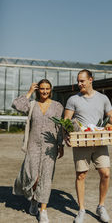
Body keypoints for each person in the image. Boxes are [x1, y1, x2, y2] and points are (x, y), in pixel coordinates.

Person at [64, 69, 112, 223]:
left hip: (100, 141)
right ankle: (81, 210)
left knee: (105, 173)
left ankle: (101, 206)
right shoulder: (73, 99)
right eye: (78, 81)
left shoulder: (103, 98)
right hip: (81, 142)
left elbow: (111, 117)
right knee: (81, 175)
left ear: (90, 80)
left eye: (82, 81)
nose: (79, 83)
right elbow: (66, 120)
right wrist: (66, 135)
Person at [12, 79, 64, 223]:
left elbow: (59, 128)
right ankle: (34, 199)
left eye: (47, 89)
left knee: (46, 177)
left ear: (51, 90)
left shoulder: (57, 106)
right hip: (33, 145)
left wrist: (61, 145)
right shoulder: (32, 105)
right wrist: (29, 92)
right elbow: (16, 105)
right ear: (38, 90)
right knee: (32, 175)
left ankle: (43, 210)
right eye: (42, 89)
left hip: (50, 147)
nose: (45, 91)